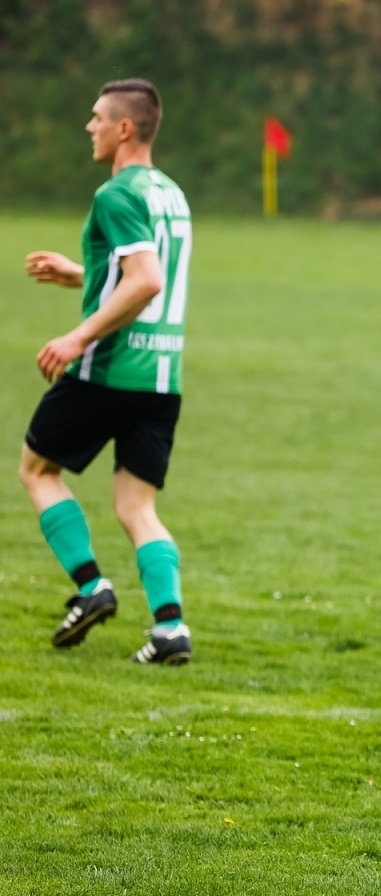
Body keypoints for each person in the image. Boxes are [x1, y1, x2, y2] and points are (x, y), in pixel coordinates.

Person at [20, 77, 193, 665]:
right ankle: (170, 627)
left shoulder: (115, 194)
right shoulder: (169, 192)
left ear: (125, 127)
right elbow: (136, 270)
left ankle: (92, 588)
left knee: (37, 469)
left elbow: (145, 281)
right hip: (162, 379)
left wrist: (76, 334)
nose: (88, 127)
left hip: (110, 368)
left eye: (97, 118)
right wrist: (81, 273)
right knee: (136, 507)